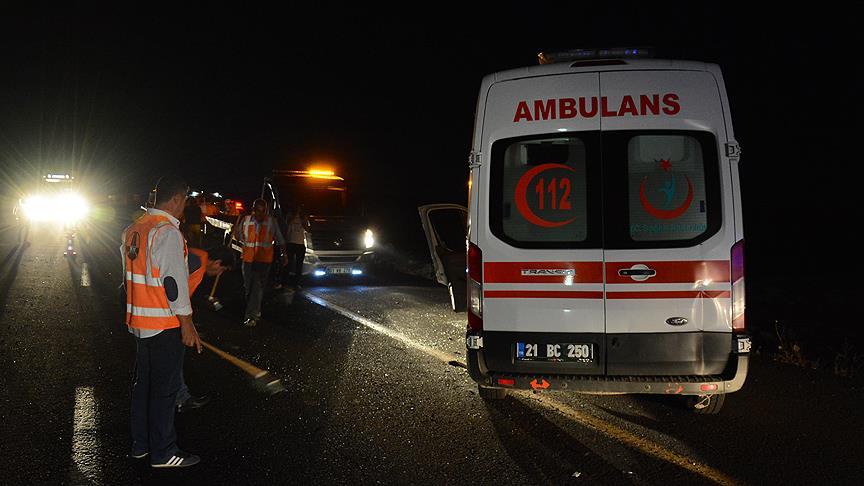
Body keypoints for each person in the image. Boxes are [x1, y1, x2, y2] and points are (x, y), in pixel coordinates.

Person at [122, 174, 201, 468]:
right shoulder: (167, 232)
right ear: (177, 199)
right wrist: (187, 323)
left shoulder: (135, 229)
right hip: (164, 325)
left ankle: (141, 445)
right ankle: (164, 452)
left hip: (140, 323)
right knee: (164, 390)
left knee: (143, 386)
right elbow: (173, 283)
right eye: (185, 201)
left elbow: (130, 278)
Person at [233, 198, 287, 327]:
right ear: (254, 210)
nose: (260, 214)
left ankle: (251, 316)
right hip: (248, 259)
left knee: (257, 287)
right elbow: (239, 236)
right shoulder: (245, 221)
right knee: (248, 287)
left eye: (263, 212)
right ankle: (255, 310)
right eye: (258, 211)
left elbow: (280, 239)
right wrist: (235, 231)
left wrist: (284, 255)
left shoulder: (271, 222)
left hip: (263, 261)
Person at [283, 206, 307, 288]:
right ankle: (285, 282)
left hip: (300, 244)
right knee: (288, 264)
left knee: (299, 265)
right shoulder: (290, 216)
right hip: (291, 242)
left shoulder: (303, 217)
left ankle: (296, 283)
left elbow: (307, 228)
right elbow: (286, 226)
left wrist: (303, 221)